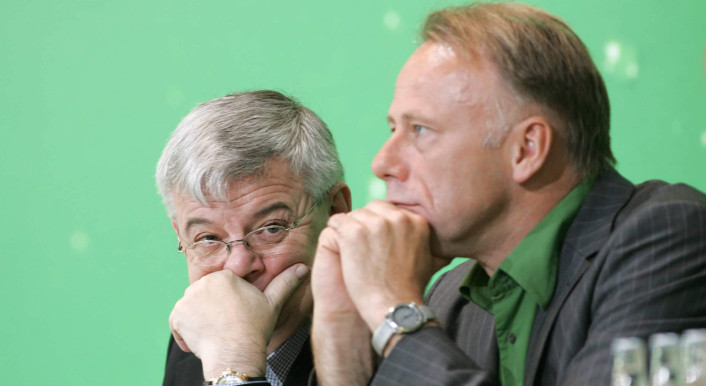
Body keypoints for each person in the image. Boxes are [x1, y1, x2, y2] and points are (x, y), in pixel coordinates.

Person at [310, 3, 706, 385]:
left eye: (420, 131)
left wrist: (393, 311)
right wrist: (342, 334)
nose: (382, 162)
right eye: (392, 128)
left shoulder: (670, 237)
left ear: (527, 149)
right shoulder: (451, 297)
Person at [155, 90, 351, 385]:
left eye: (270, 228)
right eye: (208, 238)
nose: (238, 266)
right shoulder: (198, 340)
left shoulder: (383, 348)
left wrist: (233, 369)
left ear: (336, 213)